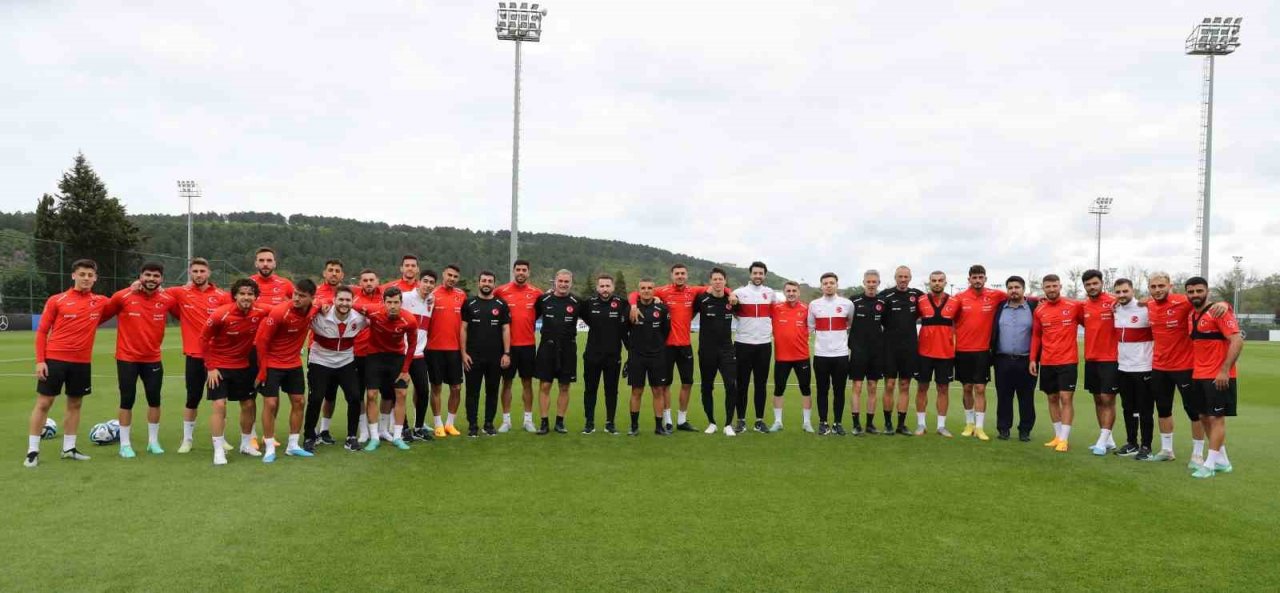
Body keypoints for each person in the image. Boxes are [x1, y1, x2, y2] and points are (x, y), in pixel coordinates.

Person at [25, 259, 117, 468]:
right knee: (44, 403)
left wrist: (135, 286)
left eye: (90, 275)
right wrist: (40, 361)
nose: (86, 278)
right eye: (82, 274)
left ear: (95, 278)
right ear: (73, 275)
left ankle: (69, 448)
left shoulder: (101, 302)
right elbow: (41, 332)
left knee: (75, 404)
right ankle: (32, 451)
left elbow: (120, 303)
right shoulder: (57, 300)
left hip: (82, 363)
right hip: (55, 360)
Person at [627, 264, 726, 432]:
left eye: (682, 273)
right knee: (664, 385)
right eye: (677, 274)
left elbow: (718, 286)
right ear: (671, 276)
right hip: (666, 347)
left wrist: (731, 294)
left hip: (685, 345)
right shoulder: (662, 291)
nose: (680, 276)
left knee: (687, 383)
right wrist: (634, 306)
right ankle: (668, 421)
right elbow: (635, 293)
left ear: (687, 275)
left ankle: (682, 420)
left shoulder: (693, 291)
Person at [110, 262, 179, 458]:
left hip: (153, 359)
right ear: (140, 276)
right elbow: (102, 313)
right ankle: (124, 444)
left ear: (162, 279)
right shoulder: (123, 296)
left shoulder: (167, 299)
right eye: (147, 275)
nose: (151, 279)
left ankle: (153, 442)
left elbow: (186, 312)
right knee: (127, 400)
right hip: (127, 358)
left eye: (156, 276)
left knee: (154, 400)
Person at [201, 279, 270, 465]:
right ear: (235, 295)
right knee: (219, 405)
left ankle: (246, 444)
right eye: (242, 294)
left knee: (248, 405)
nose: (246, 297)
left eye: (250, 294)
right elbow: (203, 339)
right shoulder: (220, 315)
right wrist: (211, 367)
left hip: (243, 366)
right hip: (219, 367)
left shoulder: (261, 312)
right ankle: (218, 451)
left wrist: (319, 304)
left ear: (255, 296)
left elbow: (281, 311)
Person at [166, 258, 232, 454]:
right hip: (194, 356)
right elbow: (157, 293)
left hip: (217, 357)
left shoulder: (222, 296)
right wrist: (136, 285)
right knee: (192, 398)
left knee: (220, 401)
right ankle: (187, 440)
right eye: (195, 271)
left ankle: (222, 438)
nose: (199, 274)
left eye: (202, 271)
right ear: (190, 273)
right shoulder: (179, 292)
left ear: (209, 273)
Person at [254, 279, 319, 462]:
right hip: (272, 363)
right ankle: (269, 448)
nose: (296, 298)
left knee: (299, 401)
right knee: (271, 404)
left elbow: (322, 304)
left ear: (311, 298)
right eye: (295, 294)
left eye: (302, 296)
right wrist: (262, 370)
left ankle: (293, 446)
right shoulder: (280, 312)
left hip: (293, 364)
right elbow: (261, 341)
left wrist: (326, 305)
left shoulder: (314, 308)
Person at [1186, 277, 1243, 478]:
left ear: (1207, 291)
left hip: (1219, 375)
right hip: (1198, 375)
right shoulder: (1192, 314)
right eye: (1191, 291)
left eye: (1199, 291)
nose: (1195, 295)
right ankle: (1222, 460)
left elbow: (1236, 340)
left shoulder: (1219, 311)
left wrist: (1225, 370)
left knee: (1216, 418)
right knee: (1203, 416)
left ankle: (1209, 465)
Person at [303, 285, 368, 452]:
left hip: (345, 362)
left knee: (354, 397)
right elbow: (303, 312)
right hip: (320, 361)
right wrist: (318, 304)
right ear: (334, 300)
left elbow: (379, 313)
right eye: (341, 299)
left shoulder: (359, 318)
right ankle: (310, 436)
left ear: (353, 301)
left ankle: (351, 437)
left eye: (348, 300)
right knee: (316, 398)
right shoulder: (320, 315)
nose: (344, 303)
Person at [357, 287, 418, 451]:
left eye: (396, 302)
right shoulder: (374, 312)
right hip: (374, 357)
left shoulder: (409, 320)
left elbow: (412, 345)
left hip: (396, 358)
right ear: (383, 302)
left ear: (401, 303)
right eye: (389, 302)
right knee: (371, 395)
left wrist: (405, 370)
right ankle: (374, 437)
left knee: (401, 394)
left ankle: (398, 437)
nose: (392, 306)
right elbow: (353, 305)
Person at [952, 264, 1007, 441]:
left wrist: (1039, 299)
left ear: (985, 278)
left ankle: (980, 427)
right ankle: (969, 423)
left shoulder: (995, 295)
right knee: (967, 388)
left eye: (980, 277)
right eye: (974, 277)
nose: (977, 280)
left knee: (981, 388)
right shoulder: (959, 297)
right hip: (962, 350)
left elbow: (1017, 296)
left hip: (983, 351)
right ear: (969, 279)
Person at [1031, 274, 1083, 453]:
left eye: (1054, 286)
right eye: (1048, 287)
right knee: (1052, 398)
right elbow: (1036, 336)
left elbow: (1090, 321)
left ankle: (1065, 439)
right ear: (1043, 288)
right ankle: (1057, 436)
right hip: (1047, 361)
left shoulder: (1074, 306)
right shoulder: (1039, 310)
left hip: (1068, 361)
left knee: (1066, 398)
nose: (1051, 289)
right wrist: (1033, 359)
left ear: (1060, 286)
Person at [461, 271, 511, 437]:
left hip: (495, 357)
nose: (487, 283)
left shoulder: (501, 305)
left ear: (494, 284)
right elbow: (463, 329)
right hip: (472, 357)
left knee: (492, 391)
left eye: (490, 281)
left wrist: (506, 353)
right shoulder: (469, 303)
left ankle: (489, 424)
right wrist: (463, 353)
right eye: (484, 280)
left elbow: (505, 329)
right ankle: (473, 425)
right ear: (479, 283)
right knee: (472, 392)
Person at [578, 274, 630, 434]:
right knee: (590, 389)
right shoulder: (588, 304)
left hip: (613, 356)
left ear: (613, 287)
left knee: (612, 390)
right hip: (592, 355)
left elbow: (624, 330)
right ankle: (589, 423)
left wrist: (631, 353)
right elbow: (585, 319)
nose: (605, 289)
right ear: (597, 287)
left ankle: (610, 423)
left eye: (608, 286)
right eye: (602, 286)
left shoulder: (622, 304)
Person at [495, 259, 542, 433]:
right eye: (518, 269)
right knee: (506, 383)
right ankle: (506, 421)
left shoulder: (537, 293)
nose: (521, 272)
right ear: (513, 271)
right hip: (507, 347)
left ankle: (527, 420)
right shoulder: (501, 291)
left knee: (527, 383)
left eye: (524, 270)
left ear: (528, 272)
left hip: (528, 346)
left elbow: (538, 314)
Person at [989, 275, 1037, 441]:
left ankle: (1025, 430)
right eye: (1010, 288)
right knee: (1003, 396)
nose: (1014, 290)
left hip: (1027, 361)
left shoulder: (1034, 306)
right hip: (1002, 360)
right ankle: (1003, 429)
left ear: (1024, 289)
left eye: (1017, 287)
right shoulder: (999, 307)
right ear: (1007, 290)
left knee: (1026, 398)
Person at [534, 270, 581, 434]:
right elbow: (528, 318)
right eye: (560, 281)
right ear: (555, 281)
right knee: (545, 385)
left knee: (564, 386)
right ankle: (544, 422)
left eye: (566, 282)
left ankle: (560, 422)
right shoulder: (543, 300)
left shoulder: (577, 302)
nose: (563, 284)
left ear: (571, 283)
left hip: (568, 348)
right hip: (547, 347)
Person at [732, 261, 777, 433]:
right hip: (743, 344)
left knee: (761, 384)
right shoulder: (739, 293)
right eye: (755, 273)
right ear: (750, 274)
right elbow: (733, 312)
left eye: (761, 273)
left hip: (764, 345)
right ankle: (741, 420)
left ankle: (759, 420)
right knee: (741, 384)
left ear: (765, 275)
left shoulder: (770, 293)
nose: (758, 276)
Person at [879, 266, 924, 436]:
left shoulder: (917, 295)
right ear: (895, 277)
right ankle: (888, 423)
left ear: (910, 278)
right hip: (889, 348)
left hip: (910, 348)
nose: (903, 279)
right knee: (889, 385)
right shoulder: (885, 295)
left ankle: (901, 424)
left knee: (905, 385)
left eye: (906, 276)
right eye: (900, 276)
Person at [1080, 269, 1121, 456]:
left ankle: (1102, 441)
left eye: (1095, 283)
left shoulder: (1114, 302)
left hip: (1111, 359)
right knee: (1097, 399)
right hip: (1091, 359)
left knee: (1107, 399)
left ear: (1102, 283)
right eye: (1088, 284)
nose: (1092, 287)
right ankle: (1108, 440)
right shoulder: (1083, 306)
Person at [915, 271, 960, 437]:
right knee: (922, 388)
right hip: (924, 353)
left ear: (945, 282)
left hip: (946, 354)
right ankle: (921, 425)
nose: (937, 283)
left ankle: (941, 426)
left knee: (943, 389)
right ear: (929, 282)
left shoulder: (955, 302)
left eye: (940, 280)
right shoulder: (921, 301)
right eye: (933, 280)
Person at [1113, 278, 1153, 459]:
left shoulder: (1146, 308)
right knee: (1128, 408)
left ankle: (1146, 445)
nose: (1121, 295)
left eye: (1125, 291)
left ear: (1132, 290)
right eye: (1118, 292)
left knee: (1145, 409)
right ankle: (1131, 443)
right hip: (1123, 367)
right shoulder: (1115, 309)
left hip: (1144, 367)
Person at [695, 268, 739, 436]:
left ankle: (728, 424)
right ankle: (711, 422)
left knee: (731, 385)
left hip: (727, 350)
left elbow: (743, 315)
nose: (718, 282)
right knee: (707, 387)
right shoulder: (702, 299)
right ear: (710, 281)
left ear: (725, 281)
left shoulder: (732, 300)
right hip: (706, 351)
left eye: (721, 279)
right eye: (715, 279)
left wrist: (732, 294)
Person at [808, 272, 852, 436]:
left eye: (831, 283)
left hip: (841, 355)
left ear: (837, 285)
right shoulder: (814, 305)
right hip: (821, 355)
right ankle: (823, 422)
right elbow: (810, 326)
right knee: (822, 390)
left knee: (839, 391)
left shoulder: (847, 304)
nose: (828, 285)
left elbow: (850, 323)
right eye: (825, 283)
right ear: (821, 286)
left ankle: (838, 423)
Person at [626, 279, 671, 436]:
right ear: (639, 290)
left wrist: (657, 346)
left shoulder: (662, 308)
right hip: (637, 356)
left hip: (657, 356)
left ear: (654, 290)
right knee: (636, 391)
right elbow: (625, 331)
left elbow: (666, 331)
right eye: (643, 288)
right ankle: (633, 426)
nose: (646, 290)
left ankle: (659, 426)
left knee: (658, 390)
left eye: (649, 288)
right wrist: (631, 349)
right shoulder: (631, 308)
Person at [427, 264, 466, 437]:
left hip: (455, 350)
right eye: (449, 275)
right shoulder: (432, 294)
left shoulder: (461, 295)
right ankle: (438, 424)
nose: (452, 278)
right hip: (434, 349)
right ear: (443, 274)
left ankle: (450, 424)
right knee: (435, 387)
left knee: (456, 388)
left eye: (455, 276)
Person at [313, 259, 347, 442]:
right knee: (316, 394)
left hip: (342, 352)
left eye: (337, 271)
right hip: (318, 351)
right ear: (324, 273)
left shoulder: (348, 294)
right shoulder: (315, 293)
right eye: (331, 270)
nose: (334, 273)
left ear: (342, 275)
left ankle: (325, 431)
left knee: (331, 394)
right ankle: (313, 431)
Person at [770, 282, 812, 432]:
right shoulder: (776, 308)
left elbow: (813, 327)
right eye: (788, 291)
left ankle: (807, 422)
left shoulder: (807, 309)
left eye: (794, 290)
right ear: (784, 292)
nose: (791, 293)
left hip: (802, 356)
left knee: (805, 389)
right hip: (782, 357)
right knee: (779, 389)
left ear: (799, 293)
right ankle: (778, 421)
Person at [848, 270, 886, 435]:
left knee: (872, 387)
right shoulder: (853, 301)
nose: (871, 284)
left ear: (878, 283)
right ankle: (856, 424)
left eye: (874, 281)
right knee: (857, 386)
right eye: (868, 281)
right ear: (864, 282)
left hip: (876, 352)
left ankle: (870, 424)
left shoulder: (883, 302)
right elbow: (846, 322)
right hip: (858, 351)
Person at [400, 269, 437, 440]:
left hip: (419, 354)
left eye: (431, 283)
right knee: (400, 393)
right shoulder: (405, 298)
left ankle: (419, 427)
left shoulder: (431, 300)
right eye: (426, 281)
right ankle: (404, 428)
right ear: (419, 281)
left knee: (423, 391)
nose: (428, 285)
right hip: (401, 353)